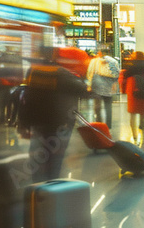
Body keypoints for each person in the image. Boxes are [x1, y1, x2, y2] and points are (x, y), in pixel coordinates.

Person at [17, 47, 90, 183]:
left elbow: (25, 97)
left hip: (37, 121)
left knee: (37, 158)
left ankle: (38, 187)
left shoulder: (33, 71)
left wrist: (23, 122)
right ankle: (51, 186)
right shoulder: (62, 74)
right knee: (54, 158)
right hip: (59, 123)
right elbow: (84, 91)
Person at [118, 51, 144, 145]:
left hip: (133, 93)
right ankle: (143, 127)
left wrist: (123, 91)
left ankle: (135, 137)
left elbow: (122, 80)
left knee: (133, 115)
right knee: (143, 112)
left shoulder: (129, 68)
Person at [86, 46, 120, 128]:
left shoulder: (94, 61)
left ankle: (99, 123)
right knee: (108, 105)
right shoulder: (113, 62)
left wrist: (89, 84)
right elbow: (116, 74)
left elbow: (90, 72)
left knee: (97, 106)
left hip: (96, 84)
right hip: (108, 85)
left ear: (100, 53)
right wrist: (114, 84)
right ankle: (108, 125)